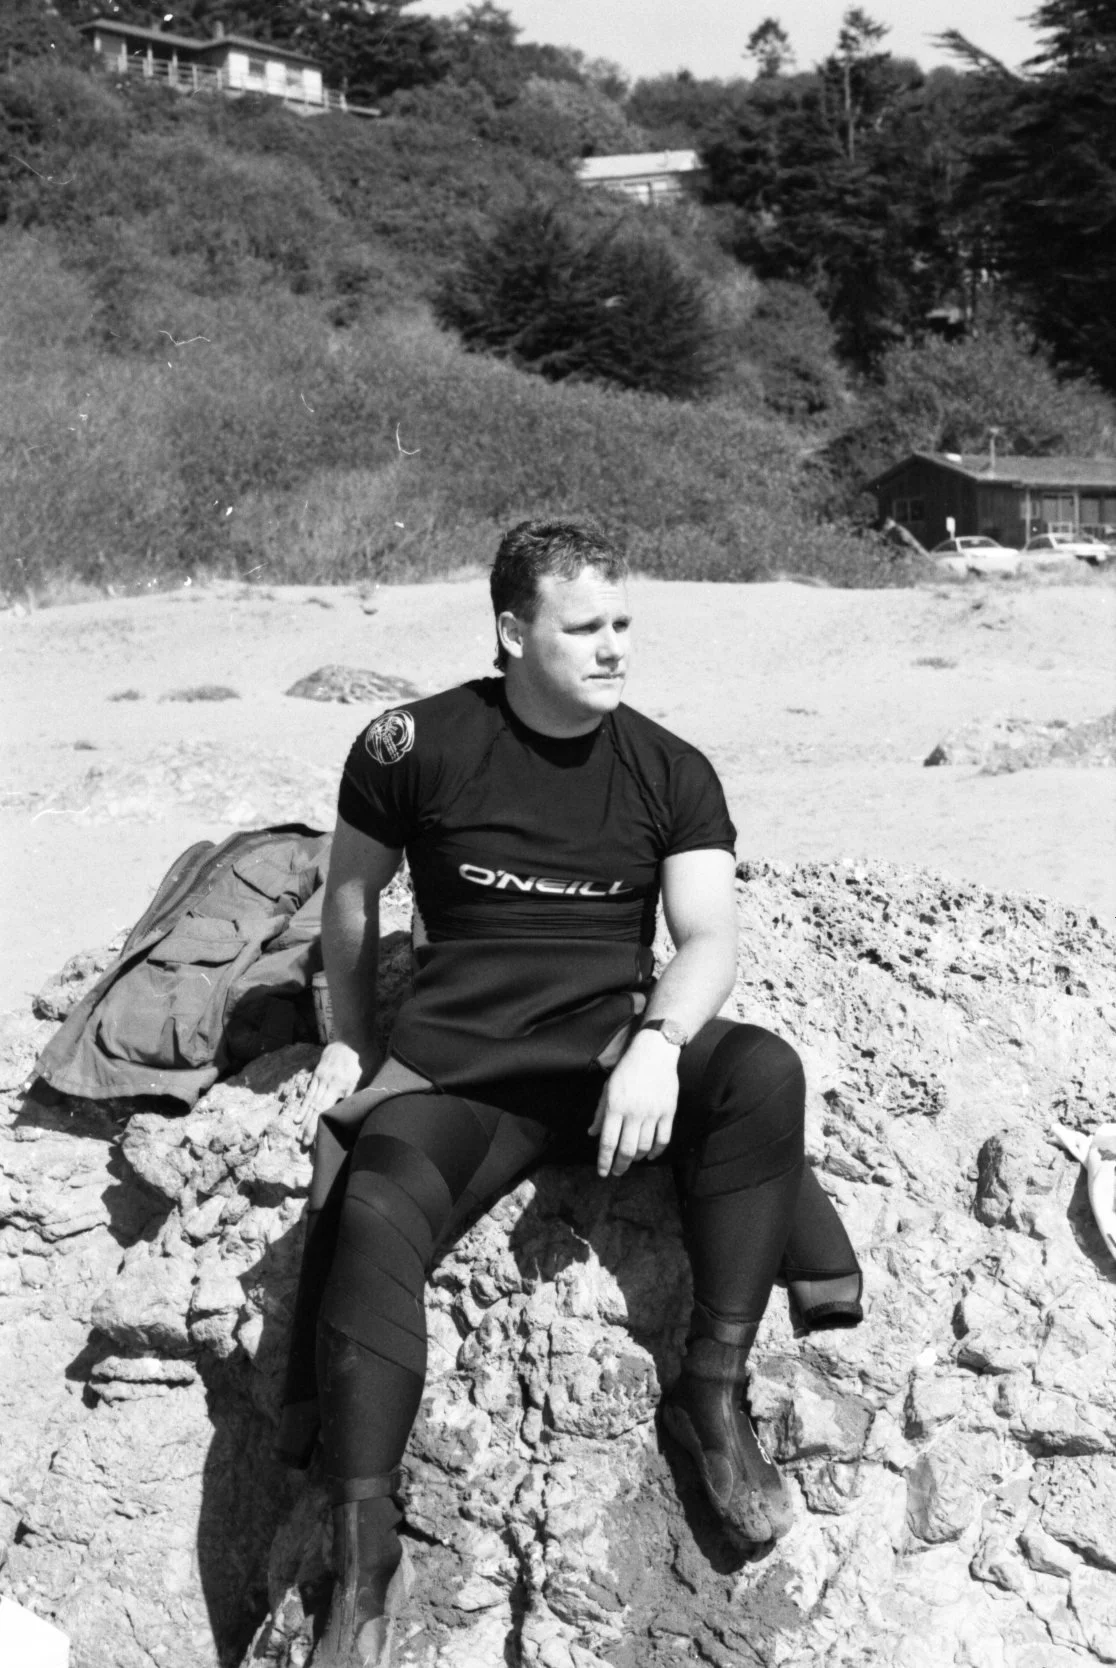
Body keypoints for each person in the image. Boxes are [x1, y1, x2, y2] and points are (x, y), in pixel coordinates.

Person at [280, 520, 863, 1667]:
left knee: (760, 1072)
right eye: (585, 627)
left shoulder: (670, 767)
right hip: (465, 1069)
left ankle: (709, 1396)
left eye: (623, 625)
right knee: (375, 1209)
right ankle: (363, 1558)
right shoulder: (413, 744)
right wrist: (351, 1039)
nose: (614, 650)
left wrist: (657, 1040)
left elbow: (706, 937)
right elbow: (349, 898)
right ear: (511, 631)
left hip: (608, 1055)